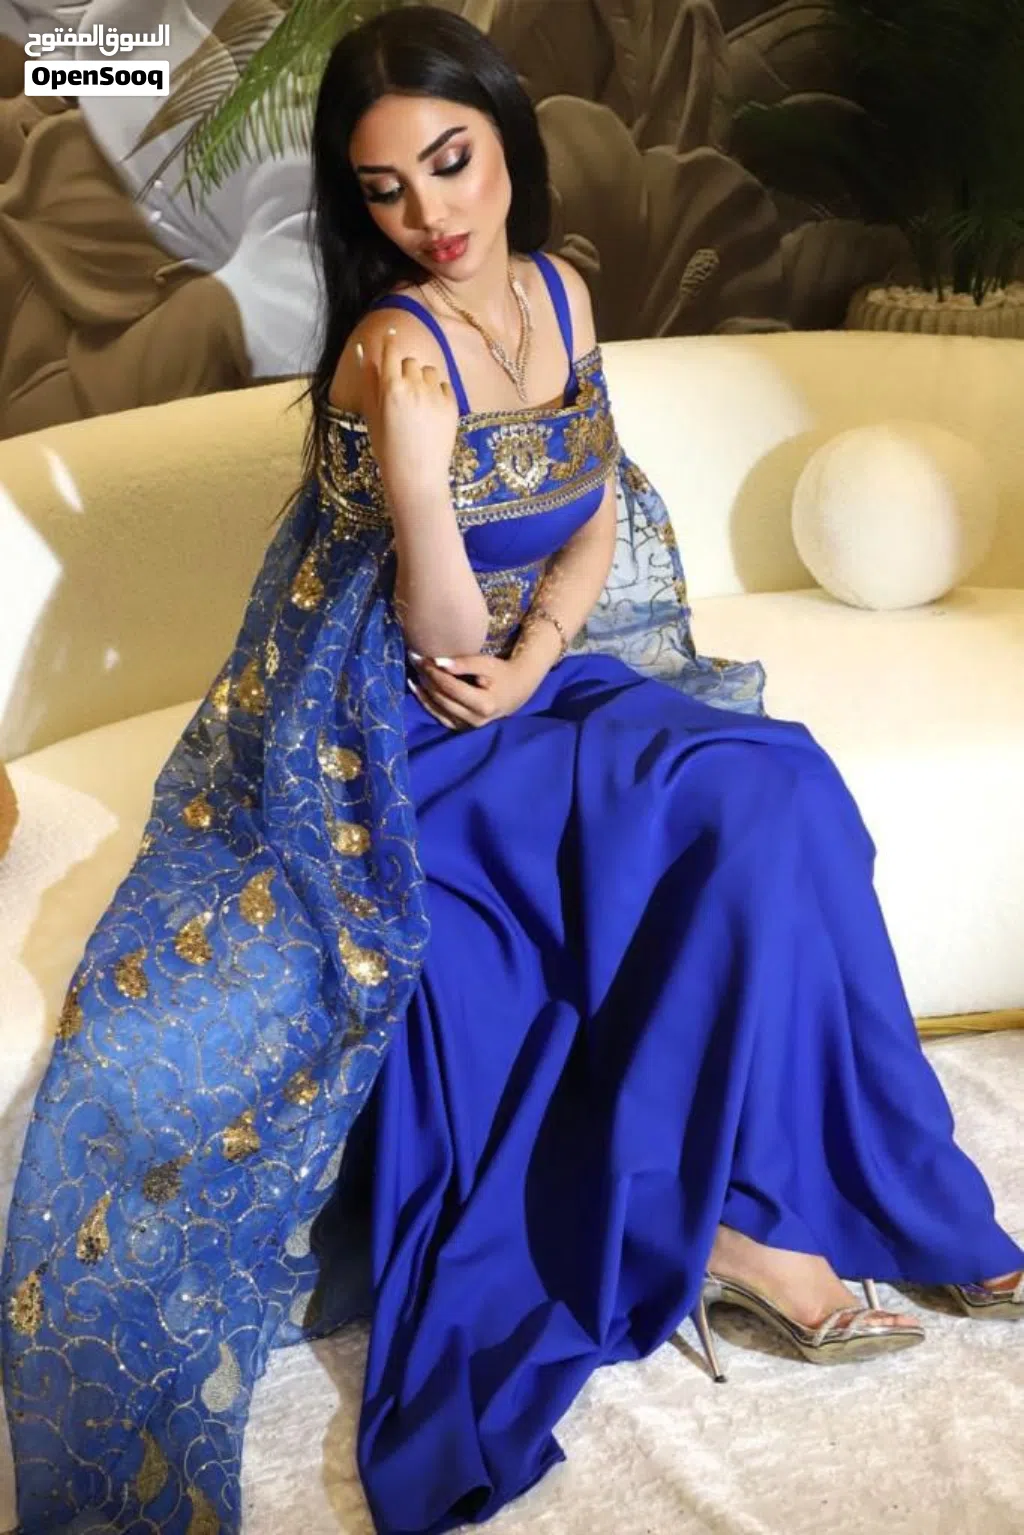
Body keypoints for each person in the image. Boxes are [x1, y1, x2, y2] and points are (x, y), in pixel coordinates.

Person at [2, 8, 1021, 1535]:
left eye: (452, 162)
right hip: (405, 733)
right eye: (386, 189)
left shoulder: (557, 290)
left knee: (780, 787)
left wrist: (547, 650)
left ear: (506, 142)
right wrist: (422, 485)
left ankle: (878, 1193)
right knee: (689, 827)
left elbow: (595, 503)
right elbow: (434, 630)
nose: (431, 212)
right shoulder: (389, 348)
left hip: (537, 682)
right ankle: (713, 1232)